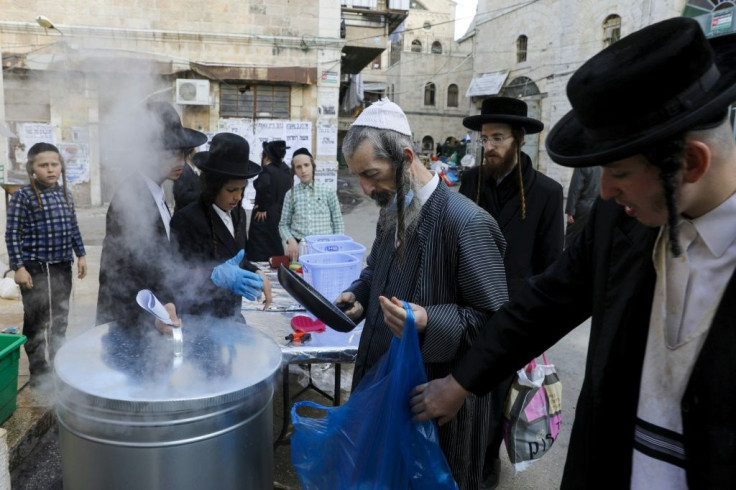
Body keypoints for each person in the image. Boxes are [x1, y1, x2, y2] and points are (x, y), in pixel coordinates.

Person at [411, 17, 736, 488]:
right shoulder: (620, 221)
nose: (603, 192)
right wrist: (461, 381)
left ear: (690, 164)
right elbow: (545, 302)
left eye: (619, 171)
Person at [336, 99, 509, 489]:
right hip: (385, 393)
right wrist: (360, 295)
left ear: (407, 156)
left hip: (438, 407)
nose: (365, 189)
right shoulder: (391, 210)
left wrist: (430, 320)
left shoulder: (466, 223)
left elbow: (497, 324)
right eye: (358, 177)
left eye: (372, 174)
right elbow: (375, 270)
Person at [459, 96, 564, 488]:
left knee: (498, 404)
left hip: (513, 319)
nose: (488, 147)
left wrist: (531, 321)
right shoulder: (470, 183)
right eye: (484, 139)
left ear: (519, 139)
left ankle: (486, 470)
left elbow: (552, 269)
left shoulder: (548, 194)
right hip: (464, 311)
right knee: (463, 397)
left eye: (497, 138)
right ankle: (462, 463)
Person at [96, 101, 208, 329]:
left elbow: (159, 261)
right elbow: (124, 276)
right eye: (171, 153)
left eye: (183, 153)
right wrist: (154, 315)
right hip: (128, 322)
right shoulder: (131, 199)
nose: (181, 162)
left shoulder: (154, 190)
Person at [5, 142, 87, 385]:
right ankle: (39, 372)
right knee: (36, 320)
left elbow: (73, 228)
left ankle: (59, 365)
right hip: (36, 269)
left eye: (55, 164)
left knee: (60, 317)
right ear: (32, 169)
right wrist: (18, 267)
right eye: (44, 165)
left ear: (61, 166)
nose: (50, 169)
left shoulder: (66, 195)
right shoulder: (23, 197)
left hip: (62, 266)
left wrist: (80, 255)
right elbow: (12, 234)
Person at [170, 133, 272, 319]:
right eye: (231, 190)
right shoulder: (186, 220)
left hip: (232, 317)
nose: (238, 197)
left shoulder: (238, 213)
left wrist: (255, 271)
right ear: (212, 186)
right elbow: (177, 278)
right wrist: (213, 276)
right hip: (199, 320)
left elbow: (237, 258)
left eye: (242, 189)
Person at [278, 147, 345, 262]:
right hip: (299, 249)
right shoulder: (290, 194)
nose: (303, 170)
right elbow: (283, 224)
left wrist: (337, 246)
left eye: (306, 165)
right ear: (294, 171)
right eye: (298, 167)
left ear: (313, 166)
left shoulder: (327, 190)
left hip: (325, 248)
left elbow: (337, 221)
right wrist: (291, 240)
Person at [246, 140, 292, 261]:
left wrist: (262, 207)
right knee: (275, 244)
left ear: (267, 156)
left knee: (260, 247)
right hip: (279, 213)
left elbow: (264, 186)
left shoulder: (267, 170)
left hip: (264, 217)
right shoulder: (286, 171)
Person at [564, 166, 601, 248]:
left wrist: (570, 211)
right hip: (600, 206)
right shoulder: (606, 163)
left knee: (572, 240)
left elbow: (575, 189)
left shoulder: (582, 164)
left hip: (584, 207)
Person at [173, 146, 201, 214]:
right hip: (184, 214)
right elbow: (182, 195)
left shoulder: (191, 169)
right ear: (189, 156)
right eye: (195, 154)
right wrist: (202, 195)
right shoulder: (184, 171)